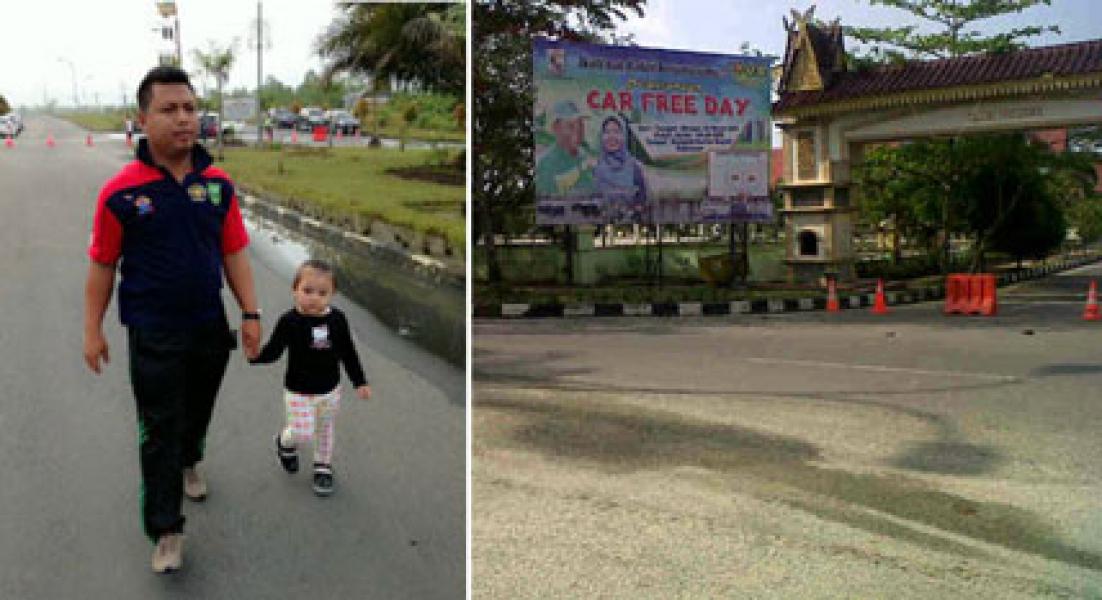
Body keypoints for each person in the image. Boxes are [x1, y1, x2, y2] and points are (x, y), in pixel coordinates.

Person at [83, 65, 262, 574]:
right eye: (169, 110)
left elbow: (235, 252)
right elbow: (102, 265)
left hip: (209, 325)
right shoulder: (121, 193)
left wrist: (250, 312)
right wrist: (91, 329)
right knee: (158, 426)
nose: (184, 119)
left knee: (196, 411)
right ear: (143, 119)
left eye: (189, 108)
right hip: (153, 331)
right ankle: (165, 528)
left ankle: (191, 457)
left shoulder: (218, 184)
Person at [249, 259, 370, 497]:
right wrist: (256, 356)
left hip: (329, 390)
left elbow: (348, 352)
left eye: (322, 293)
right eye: (307, 291)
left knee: (325, 429)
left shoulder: (337, 320)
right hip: (298, 390)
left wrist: (360, 381)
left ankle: (323, 467)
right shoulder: (289, 321)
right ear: (294, 289)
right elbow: (275, 349)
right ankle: (284, 444)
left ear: (332, 294)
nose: (314, 298)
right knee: (302, 431)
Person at [534, 100, 596, 196]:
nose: (578, 131)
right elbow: (548, 194)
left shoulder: (586, 156)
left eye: (580, 125)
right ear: (556, 128)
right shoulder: (546, 163)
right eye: (571, 126)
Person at [592, 115, 647, 221]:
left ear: (624, 136)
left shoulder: (634, 167)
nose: (612, 136)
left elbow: (641, 199)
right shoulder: (595, 167)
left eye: (616, 132)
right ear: (601, 136)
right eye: (607, 132)